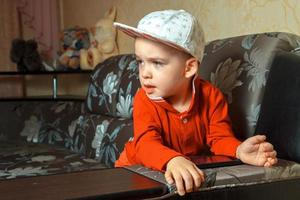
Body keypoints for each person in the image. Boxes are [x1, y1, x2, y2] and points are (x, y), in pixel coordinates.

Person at [113, 9, 277, 196]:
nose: (144, 73)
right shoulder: (144, 98)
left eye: (157, 63)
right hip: (134, 168)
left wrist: (239, 150)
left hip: (181, 172)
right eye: (140, 62)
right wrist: (172, 159)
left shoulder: (212, 97)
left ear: (189, 67)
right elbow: (145, 144)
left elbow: (219, 138)